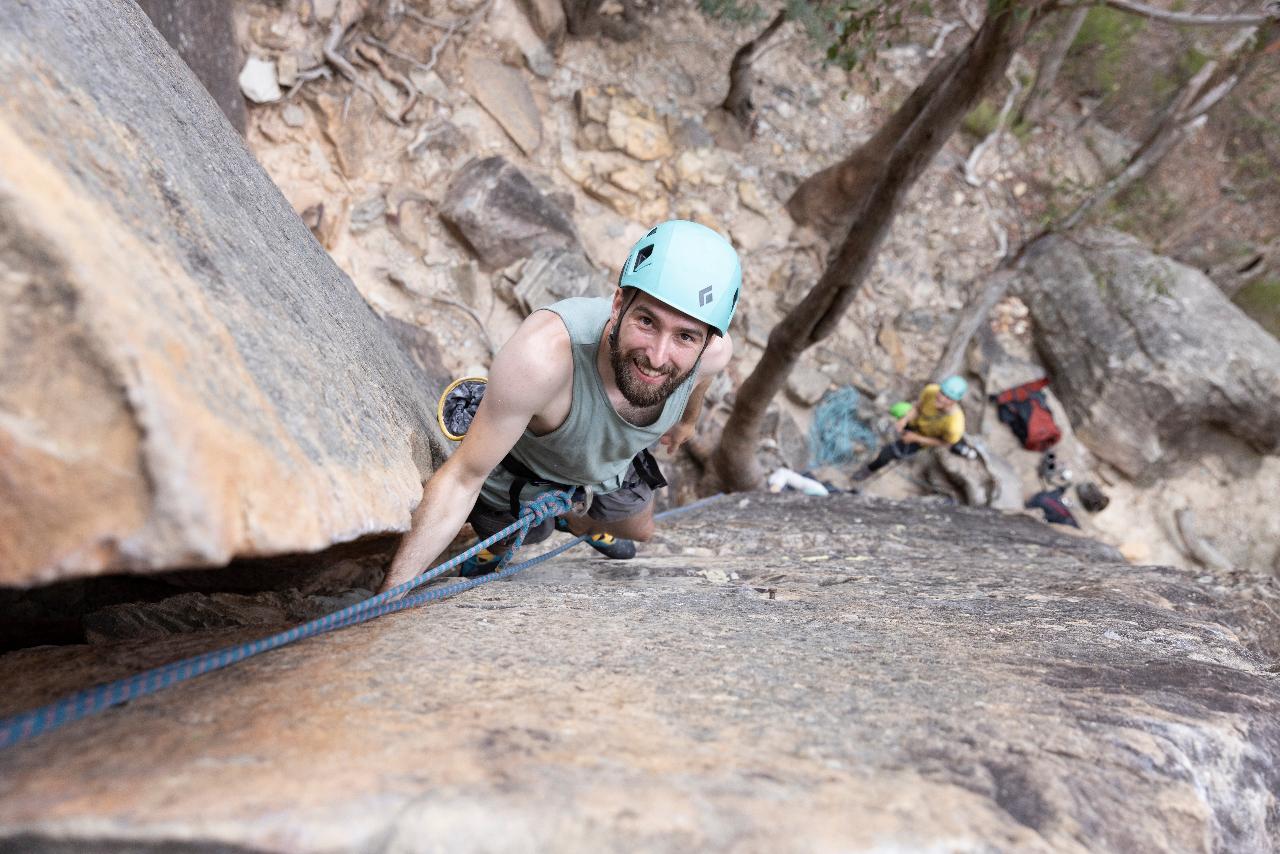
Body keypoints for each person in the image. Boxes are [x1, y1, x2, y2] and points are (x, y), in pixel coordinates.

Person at [378, 220, 740, 593]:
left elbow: (702, 379)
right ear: (618, 305)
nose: (657, 356)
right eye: (647, 321)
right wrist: (393, 592)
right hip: (524, 472)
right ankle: (502, 542)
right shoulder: (542, 359)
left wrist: (687, 422)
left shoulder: (713, 354)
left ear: (707, 342)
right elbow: (462, 478)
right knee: (524, 535)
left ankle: (578, 521)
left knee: (641, 530)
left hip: (607, 463)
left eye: (685, 336)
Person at [853, 376, 970, 481]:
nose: (941, 398)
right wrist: (904, 420)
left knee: (887, 454)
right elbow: (917, 407)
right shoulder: (931, 391)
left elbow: (946, 443)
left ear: (956, 401)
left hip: (923, 437)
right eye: (942, 392)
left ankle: (870, 469)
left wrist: (916, 438)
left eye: (948, 397)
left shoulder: (954, 426)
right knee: (896, 410)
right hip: (915, 421)